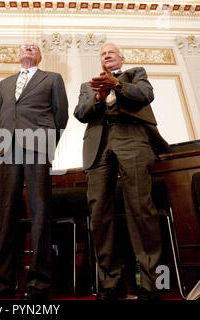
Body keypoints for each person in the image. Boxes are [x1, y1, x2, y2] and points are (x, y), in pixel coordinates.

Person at [0, 40, 68, 301]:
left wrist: (46, 143)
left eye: (33, 47)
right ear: (17, 55)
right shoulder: (4, 84)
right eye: (24, 47)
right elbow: (0, 117)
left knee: (40, 214)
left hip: (37, 148)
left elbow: (61, 116)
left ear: (40, 56)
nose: (28, 49)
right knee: (6, 214)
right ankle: (2, 282)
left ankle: (39, 284)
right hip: (7, 150)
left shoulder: (53, 78)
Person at [74, 43, 170, 301]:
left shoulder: (136, 73)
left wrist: (116, 86)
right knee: (99, 213)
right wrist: (97, 97)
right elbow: (80, 114)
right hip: (98, 144)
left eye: (111, 52)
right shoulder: (88, 85)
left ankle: (149, 283)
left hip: (132, 139)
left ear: (121, 58)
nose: (106, 55)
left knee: (140, 208)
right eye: (103, 53)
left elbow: (144, 95)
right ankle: (110, 283)